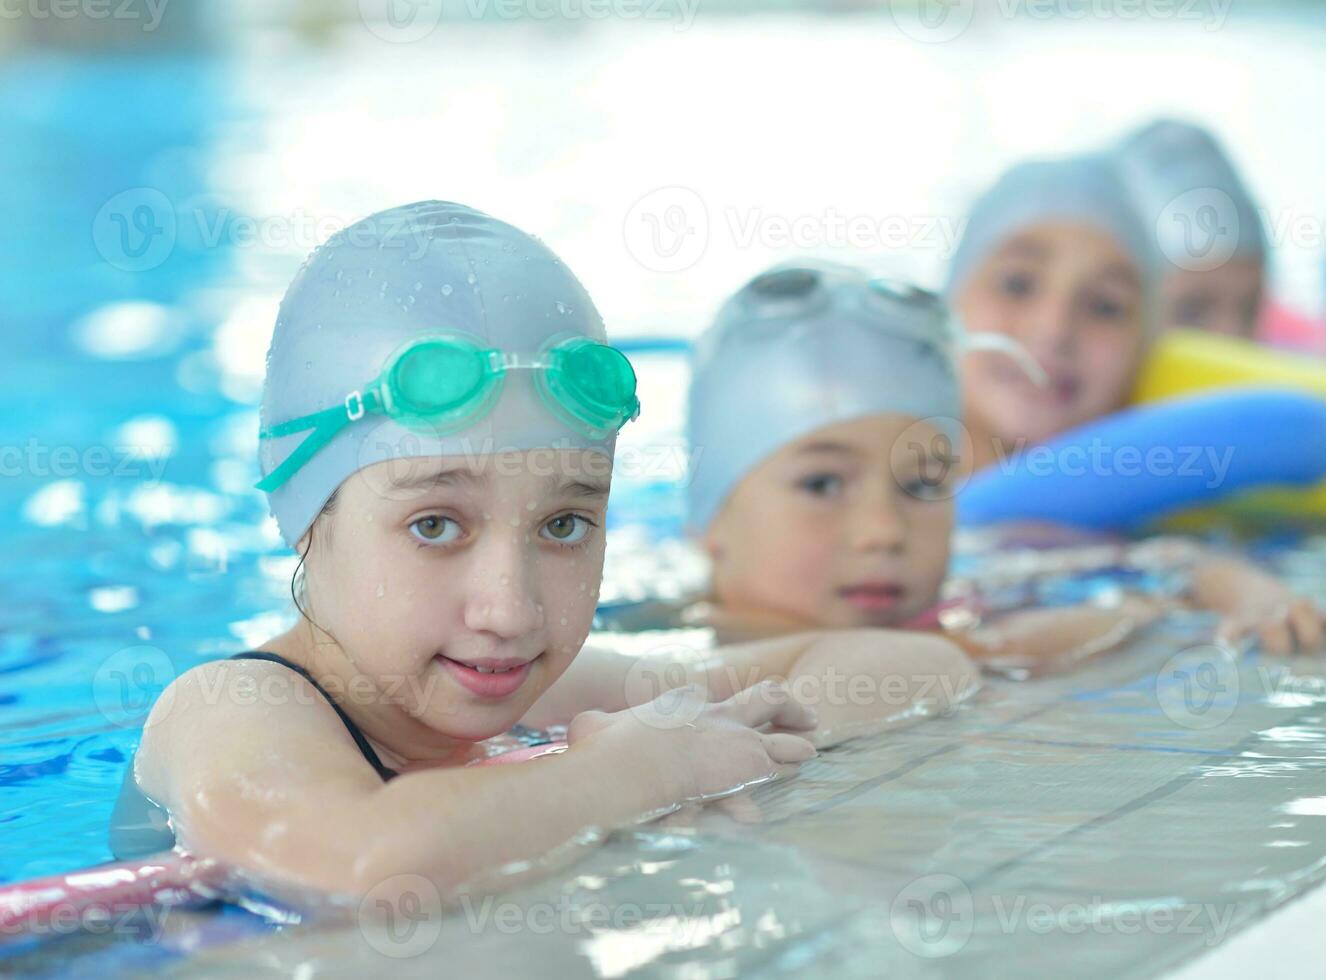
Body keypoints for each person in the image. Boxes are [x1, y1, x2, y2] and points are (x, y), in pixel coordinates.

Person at [109, 202, 978, 901]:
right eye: (436, 525)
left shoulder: (543, 687)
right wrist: (636, 773)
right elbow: (358, 864)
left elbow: (911, 668)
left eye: (563, 526)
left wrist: (698, 738)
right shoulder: (232, 709)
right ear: (304, 512)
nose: (512, 608)